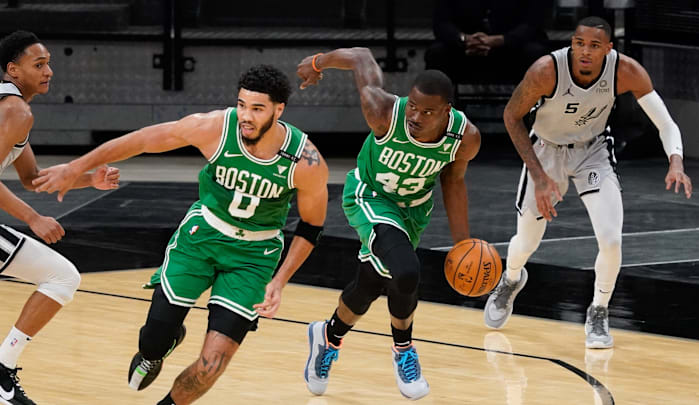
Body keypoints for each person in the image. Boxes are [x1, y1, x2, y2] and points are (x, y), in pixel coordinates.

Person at [33, 65, 329, 405]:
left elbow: (310, 226)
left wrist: (279, 281)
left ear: (279, 110)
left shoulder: (305, 160)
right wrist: (75, 168)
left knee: (212, 363)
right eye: (241, 104)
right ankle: (159, 348)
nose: (246, 116)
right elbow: (143, 140)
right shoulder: (215, 128)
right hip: (201, 238)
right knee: (153, 340)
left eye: (257, 109)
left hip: (254, 256)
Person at [483, 17, 693, 349]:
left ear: (608, 49)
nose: (585, 52)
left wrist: (676, 160)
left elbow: (665, 123)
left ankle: (598, 310)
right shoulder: (546, 70)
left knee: (610, 239)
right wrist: (538, 177)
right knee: (526, 242)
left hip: (592, 154)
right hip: (546, 154)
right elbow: (512, 116)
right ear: (572, 43)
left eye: (595, 46)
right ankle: (510, 280)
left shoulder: (626, 71)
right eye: (580, 43)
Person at [297, 48, 481, 400]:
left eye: (427, 112)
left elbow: (454, 181)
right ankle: (404, 350)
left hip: (412, 211)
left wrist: (463, 244)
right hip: (369, 198)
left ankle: (328, 336)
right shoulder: (383, 112)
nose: (416, 115)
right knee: (406, 270)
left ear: (447, 112)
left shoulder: (465, 137)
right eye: (413, 105)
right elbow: (361, 57)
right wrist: (317, 63)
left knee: (370, 284)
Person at [0, 31, 119, 405]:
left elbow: (30, 177)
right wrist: (34, 218)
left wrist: (87, 179)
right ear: (13, 70)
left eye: (48, 62)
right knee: (61, 277)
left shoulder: (15, 108)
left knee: (61, 276)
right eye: (39, 64)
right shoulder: (15, 110)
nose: (49, 70)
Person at [424, 0, 551, 85]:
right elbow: (441, 23)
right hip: (466, 51)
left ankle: (532, 118)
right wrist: (464, 39)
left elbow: (532, 24)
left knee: (535, 53)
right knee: (436, 53)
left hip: (512, 51)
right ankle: (439, 118)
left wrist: (500, 40)